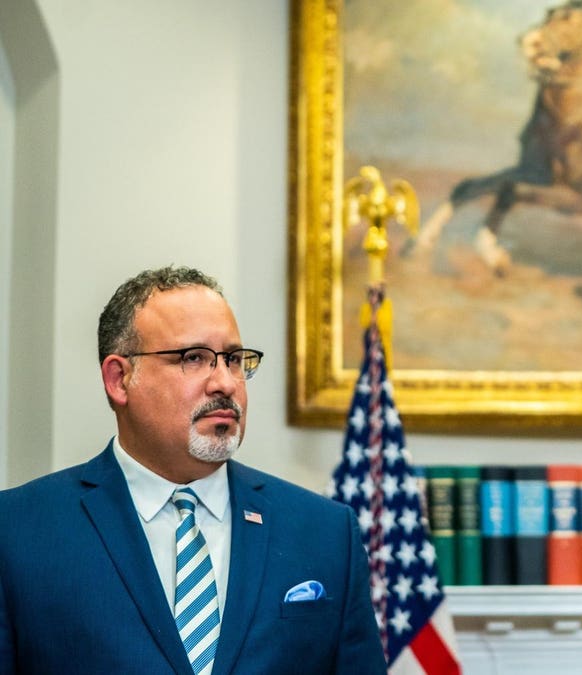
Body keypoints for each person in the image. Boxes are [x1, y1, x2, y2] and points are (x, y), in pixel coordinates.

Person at [0, 266, 386, 674]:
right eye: (194, 358)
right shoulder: (18, 531)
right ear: (119, 379)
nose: (225, 383)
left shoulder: (325, 533)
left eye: (233, 360)